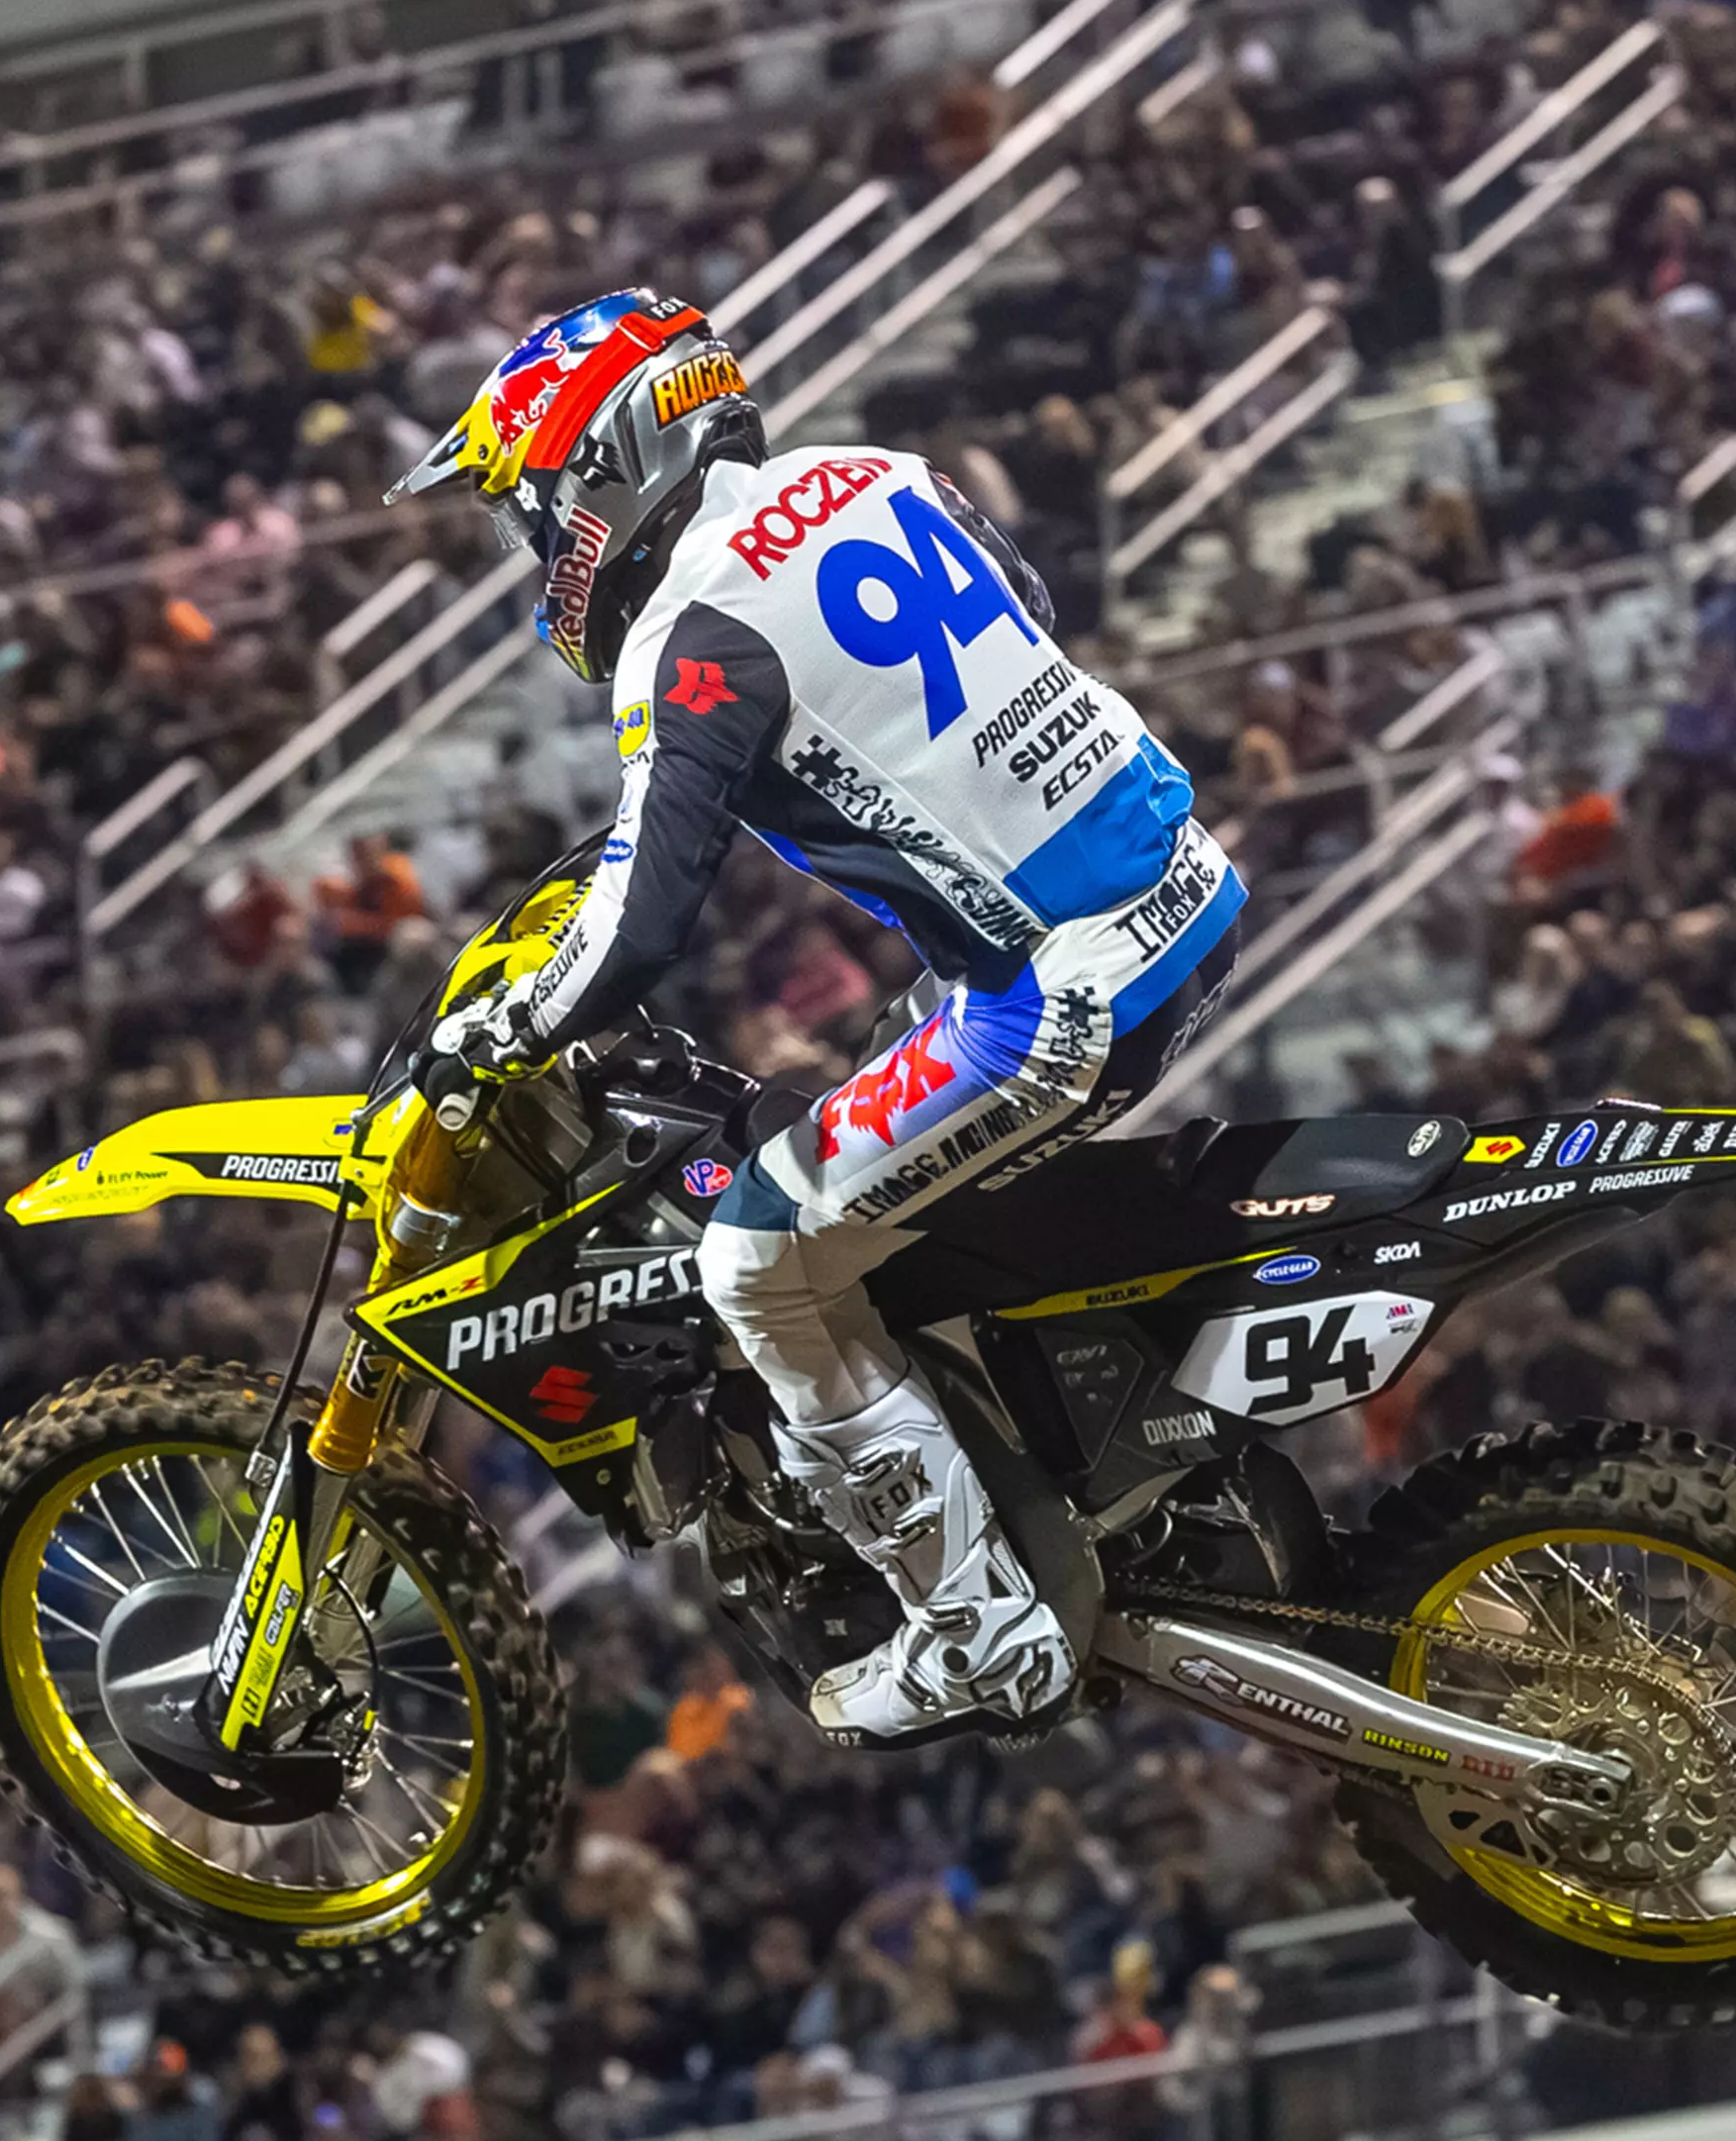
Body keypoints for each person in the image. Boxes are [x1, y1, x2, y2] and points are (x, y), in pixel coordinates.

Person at [395, 290, 1243, 1741]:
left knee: (759, 1261)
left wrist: (498, 1029)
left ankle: (976, 1628)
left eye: (531, 512)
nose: (535, 553)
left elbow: (642, 925)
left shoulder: (695, 634)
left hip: (1058, 996)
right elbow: (1027, 609)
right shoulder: (877, 476)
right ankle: (1052, 1455)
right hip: (1188, 884)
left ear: (597, 467)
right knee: (855, 1118)